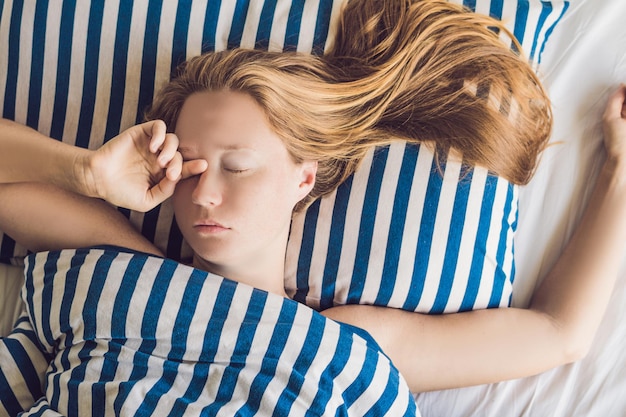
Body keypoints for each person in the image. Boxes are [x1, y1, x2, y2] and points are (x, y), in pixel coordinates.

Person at [0, 0, 624, 410]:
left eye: (237, 166)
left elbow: (557, 334)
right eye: (187, 166)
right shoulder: (121, 265)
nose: (205, 193)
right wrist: (87, 171)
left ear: (306, 177)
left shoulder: (345, 341)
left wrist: (619, 166)